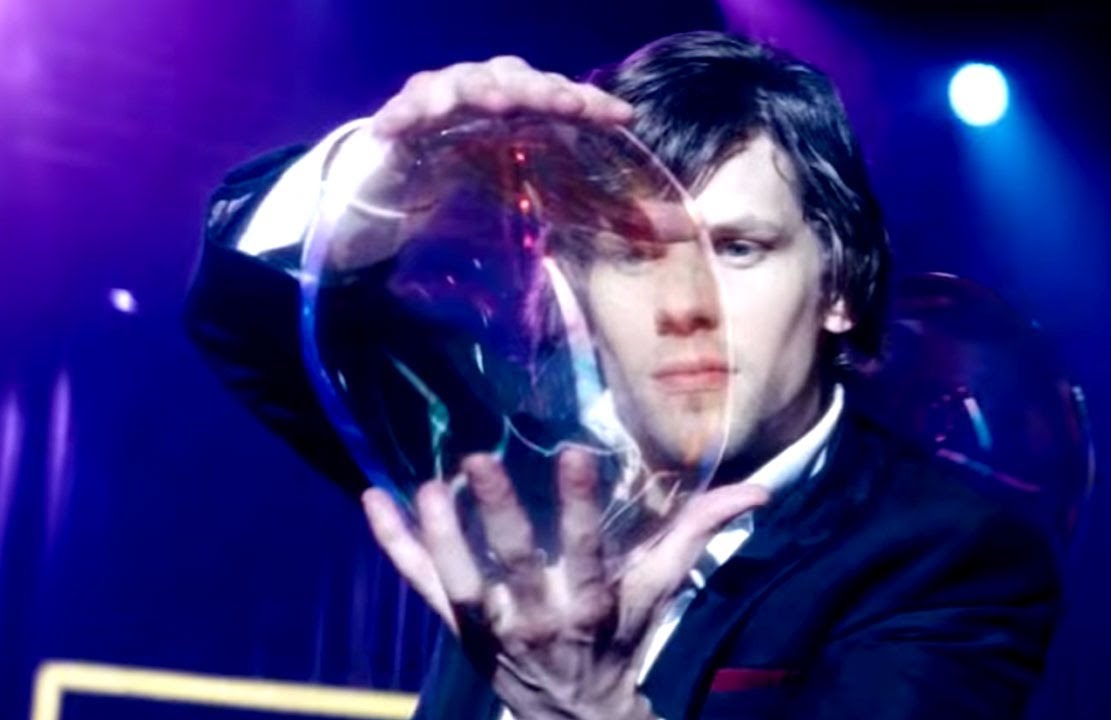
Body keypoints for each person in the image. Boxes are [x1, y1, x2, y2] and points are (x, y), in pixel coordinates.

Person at [185, 31, 1060, 720]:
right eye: (633, 254)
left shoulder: (949, 560)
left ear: (839, 285)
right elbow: (248, 320)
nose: (682, 305)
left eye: (737, 248)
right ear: (576, 286)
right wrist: (384, 177)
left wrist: (593, 710)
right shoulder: (512, 466)